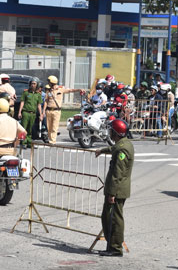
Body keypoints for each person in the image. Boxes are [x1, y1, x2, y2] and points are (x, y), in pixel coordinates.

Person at [94, 119, 134, 257]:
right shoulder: (124, 144)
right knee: (107, 217)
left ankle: (115, 248)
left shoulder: (123, 148)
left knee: (114, 219)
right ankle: (111, 245)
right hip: (116, 189)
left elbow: (118, 173)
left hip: (117, 190)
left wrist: (112, 193)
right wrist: (102, 150)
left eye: (112, 131)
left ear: (116, 133)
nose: (110, 133)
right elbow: (114, 149)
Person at [44, 75, 85, 144]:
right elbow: (46, 101)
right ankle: (50, 138)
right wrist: (43, 111)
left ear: (52, 82)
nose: (48, 83)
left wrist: (78, 89)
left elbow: (70, 90)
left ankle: (52, 141)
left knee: (54, 127)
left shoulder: (60, 89)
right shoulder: (48, 91)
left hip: (57, 111)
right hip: (48, 110)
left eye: (49, 82)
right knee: (49, 127)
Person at [18, 78, 43, 147]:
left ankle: (29, 142)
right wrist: (20, 112)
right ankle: (23, 142)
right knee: (23, 128)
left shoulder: (38, 94)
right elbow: (22, 102)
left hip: (33, 114)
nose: (33, 85)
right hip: (26, 112)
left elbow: (39, 105)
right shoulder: (26, 92)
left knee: (30, 128)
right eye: (32, 83)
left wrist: (41, 114)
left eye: (34, 84)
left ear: (37, 85)